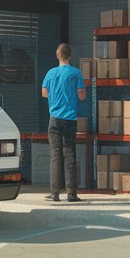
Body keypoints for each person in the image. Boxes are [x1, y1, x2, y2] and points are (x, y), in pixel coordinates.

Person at [41, 43, 86, 202]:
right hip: (70, 119)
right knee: (70, 155)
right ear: (70, 56)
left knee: (55, 156)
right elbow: (82, 96)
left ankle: (54, 193)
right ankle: (71, 194)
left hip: (54, 119)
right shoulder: (76, 73)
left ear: (57, 55)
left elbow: (44, 93)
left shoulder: (50, 73)